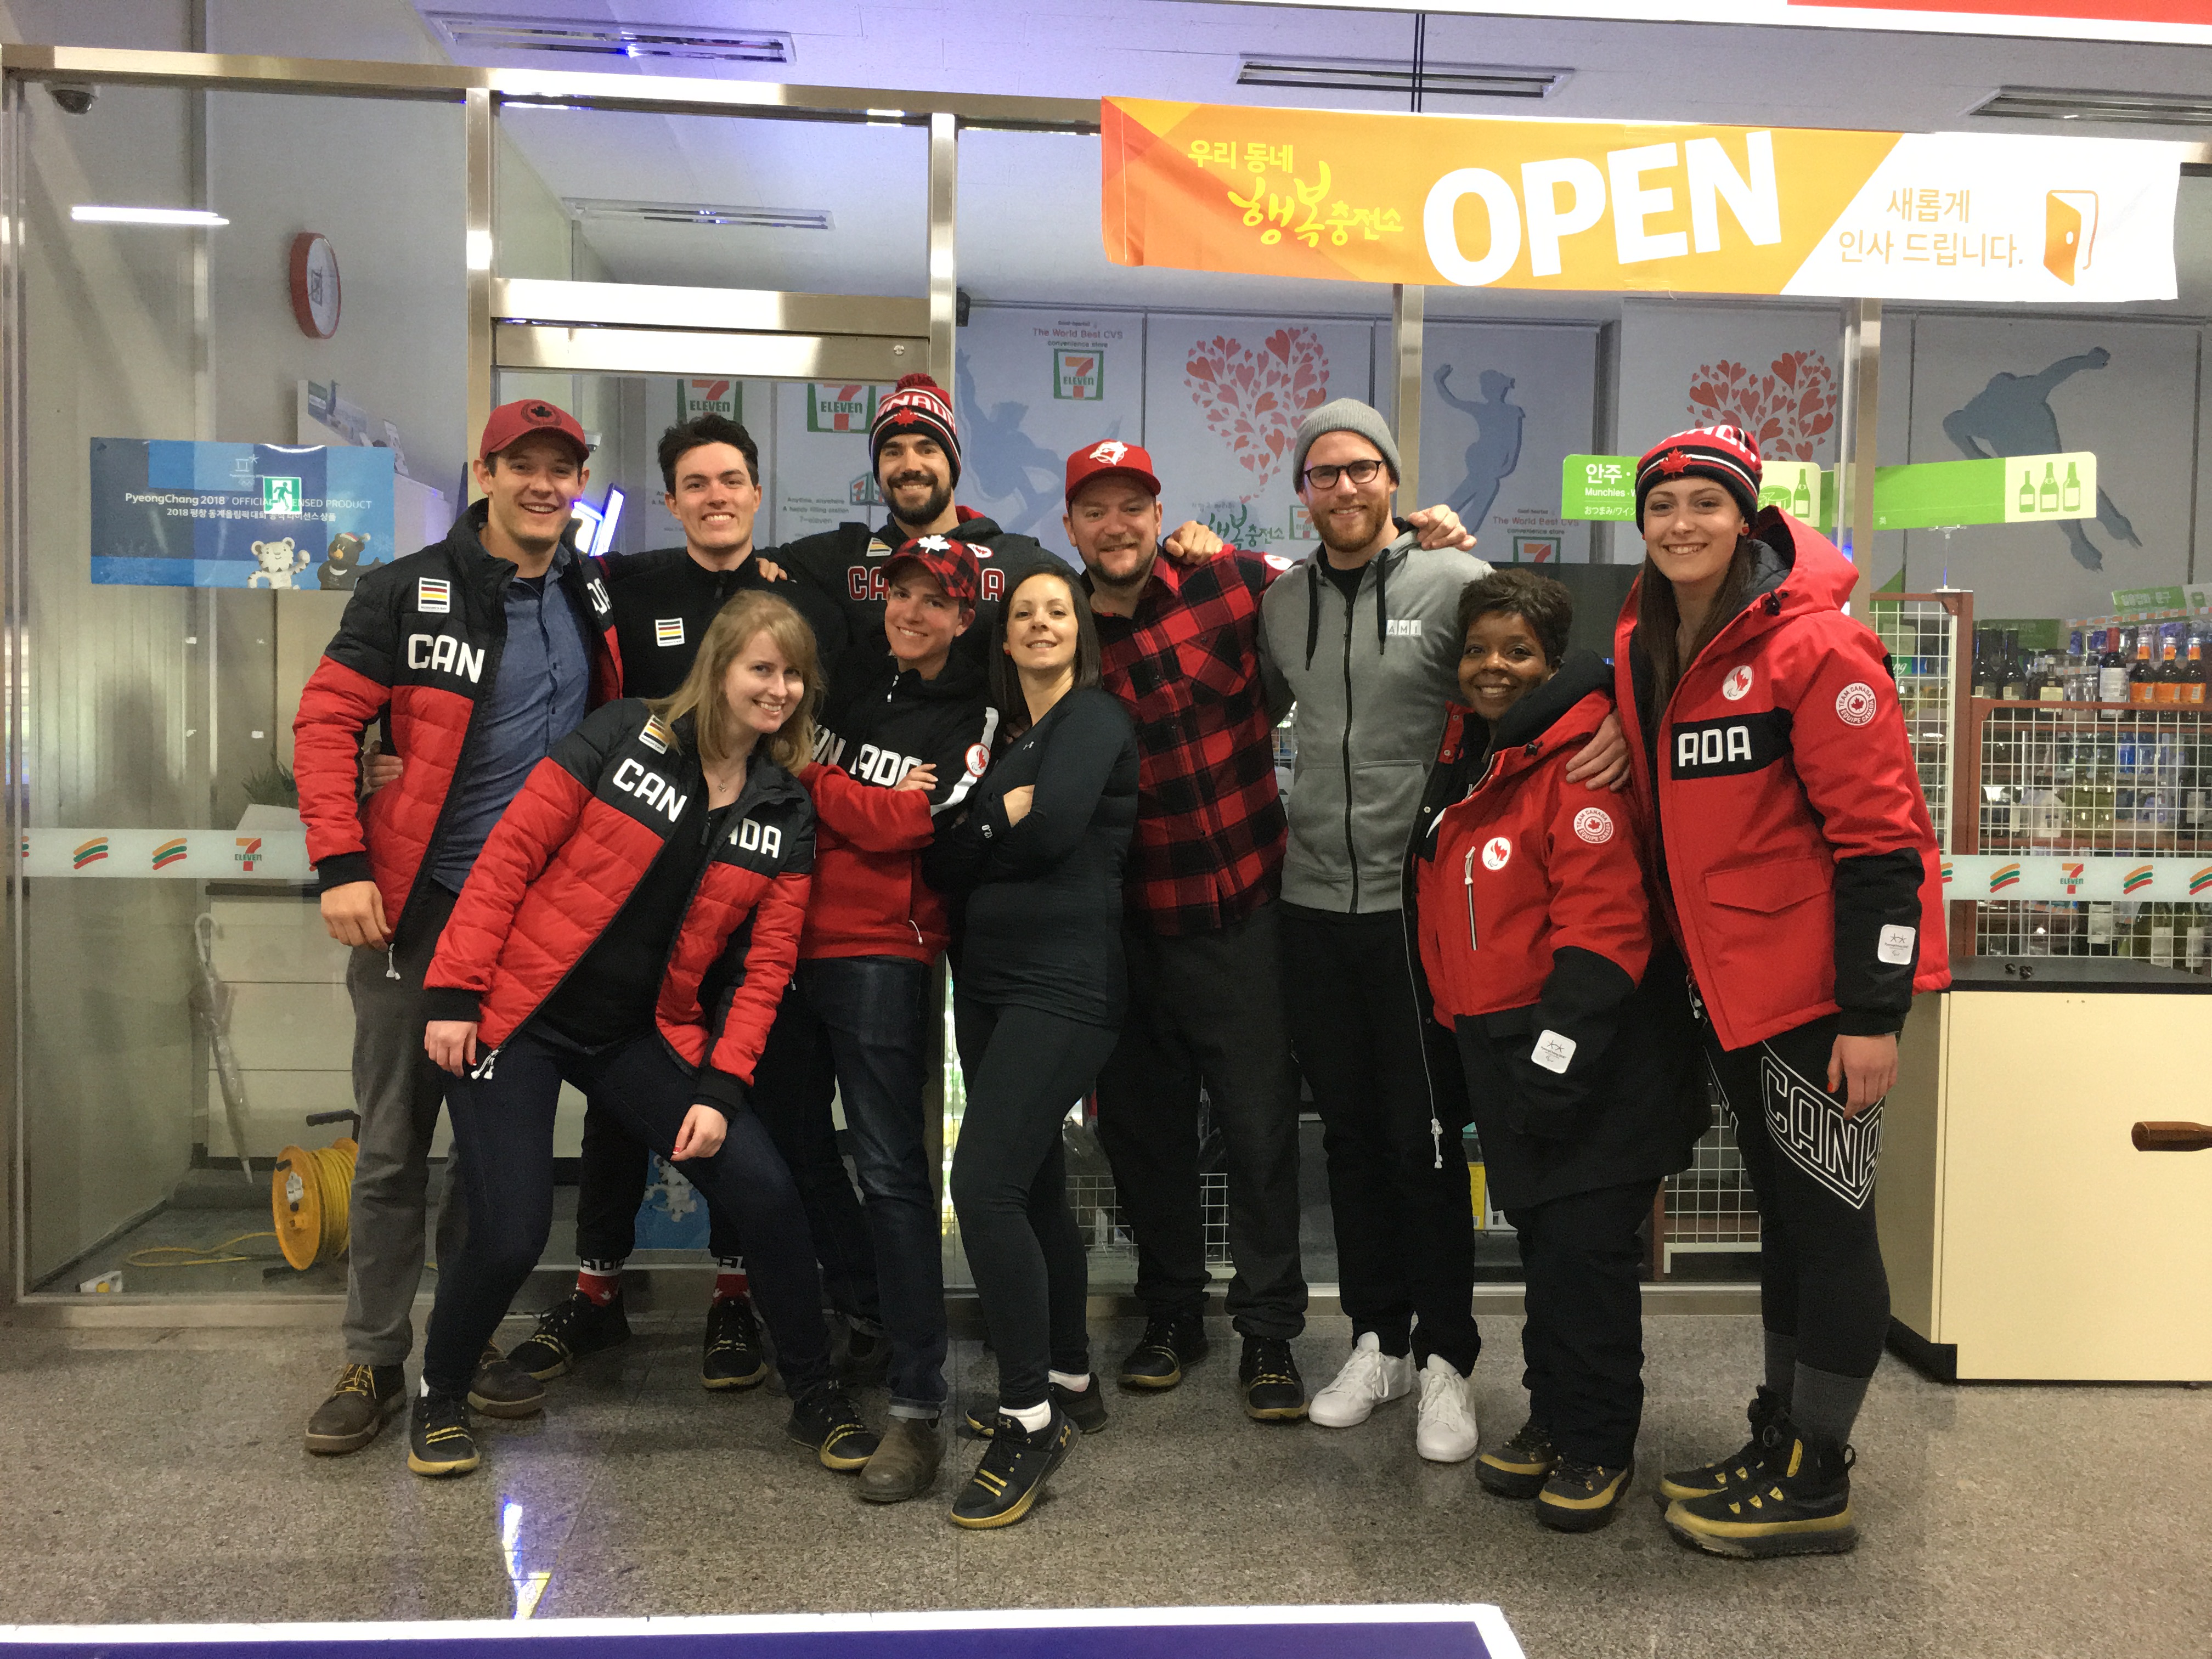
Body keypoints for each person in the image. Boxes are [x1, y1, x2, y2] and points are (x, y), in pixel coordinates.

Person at [408, 592, 877, 1481]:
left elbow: (765, 969)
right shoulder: (623, 734)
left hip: (640, 1033)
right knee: (509, 1233)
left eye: (792, 676)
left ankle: (814, 1392)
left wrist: (720, 1087)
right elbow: (509, 856)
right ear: (720, 668)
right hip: (520, 1015)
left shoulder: (783, 807)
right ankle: (440, 1390)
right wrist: (455, 991)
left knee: (767, 1190)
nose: (777, 690)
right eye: (761, 669)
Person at [1066, 437, 1480, 1421]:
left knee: (1258, 1134)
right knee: (1146, 1137)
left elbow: (1354, 568)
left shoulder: (1240, 583)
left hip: (1249, 912)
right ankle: (1173, 1314)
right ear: (1072, 526)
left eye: (1135, 505)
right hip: (1126, 926)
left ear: (1160, 512)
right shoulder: (1057, 621)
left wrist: (1435, 535)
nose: (1117, 525)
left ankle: (1268, 1334)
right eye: (1096, 510)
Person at [1258, 398, 1629, 1463]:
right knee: (1357, 1145)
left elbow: (1544, 655)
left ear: (1391, 478)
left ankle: (1449, 1360)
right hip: (1312, 907)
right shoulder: (1281, 604)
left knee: (1425, 1146)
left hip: (1416, 917)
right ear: (1305, 491)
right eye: (1322, 474)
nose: (1343, 488)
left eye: (1362, 469)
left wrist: (1606, 727)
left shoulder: (1449, 581)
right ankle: (1376, 1337)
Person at [1613, 426, 1948, 1558]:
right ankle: (1782, 1434)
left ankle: (1819, 1476)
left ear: (1748, 518)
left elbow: (1884, 847)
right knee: (1791, 1230)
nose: (1681, 526)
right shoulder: (1658, 643)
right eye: (1663, 507)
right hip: (1732, 998)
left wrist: (1873, 1015)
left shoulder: (1818, 650)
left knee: (1833, 1226)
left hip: (1815, 1001)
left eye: (1706, 504)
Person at [499, 413, 863, 1398]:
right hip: (629, 904)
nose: (716, 496)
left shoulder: (797, 595)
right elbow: (557, 692)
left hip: (746, 892)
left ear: (756, 491)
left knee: (737, 1097)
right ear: (672, 499)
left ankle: (734, 1298)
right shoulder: (622, 586)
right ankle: (599, 1290)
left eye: (732, 480)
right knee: (619, 1112)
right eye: (696, 483)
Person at [291, 397, 619, 1457]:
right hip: (414, 918)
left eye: (560, 468)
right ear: (486, 473)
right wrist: (342, 861)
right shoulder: (405, 591)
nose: (542, 484)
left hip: (526, 938)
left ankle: (462, 1345)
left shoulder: (592, 594)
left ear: (580, 482)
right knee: (392, 1151)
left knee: (492, 1158)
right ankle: (373, 1354)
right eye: (521, 465)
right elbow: (328, 720)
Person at [1409, 569, 1705, 1532]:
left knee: (1587, 1260)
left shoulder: (1581, 764)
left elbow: (1606, 931)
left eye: (1519, 652)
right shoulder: (1487, 755)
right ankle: (1553, 1417)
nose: (1495, 668)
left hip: (1589, 1062)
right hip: (1509, 1054)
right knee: (1548, 1254)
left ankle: (1596, 1443)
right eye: (1480, 650)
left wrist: (1552, 1055)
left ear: (1557, 661)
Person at [758, 534, 1003, 1504]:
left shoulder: (972, 710)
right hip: (784, 940)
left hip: (882, 956)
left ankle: (916, 1405)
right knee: (790, 1152)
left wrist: (825, 784)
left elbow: (918, 823)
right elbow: (801, 769)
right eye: (900, 594)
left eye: (932, 601)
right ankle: (863, 1308)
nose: (912, 612)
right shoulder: (854, 679)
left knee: (896, 1174)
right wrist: (858, 795)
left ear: (962, 615)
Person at [924, 566, 1139, 1528]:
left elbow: (1052, 831)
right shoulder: (1004, 742)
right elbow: (944, 857)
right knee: (1035, 1182)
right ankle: (1067, 1377)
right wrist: (986, 817)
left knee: (985, 1187)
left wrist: (989, 825)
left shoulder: (1092, 719)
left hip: (1067, 985)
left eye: (1059, 611)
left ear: (1080, 637)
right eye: (1025, 615)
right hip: (992, 985)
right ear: (1003, 641)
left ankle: (1028, 1420)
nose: (1042, 624)